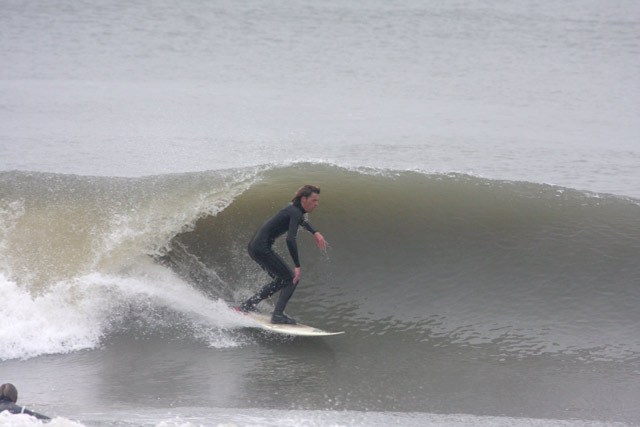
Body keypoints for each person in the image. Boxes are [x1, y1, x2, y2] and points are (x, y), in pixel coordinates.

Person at [236, 185, 327, 324]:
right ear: (304, 199)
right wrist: (297, 265)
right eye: (314, 200)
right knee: (291, 279)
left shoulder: (293, 209)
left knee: (281, 280)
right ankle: (277, 315)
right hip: (261, 248)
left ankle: (247, 306)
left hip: (255, 247)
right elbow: (290, 239)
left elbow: (301, 221)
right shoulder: (295, 211)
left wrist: (315, 231)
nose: (316, 204)